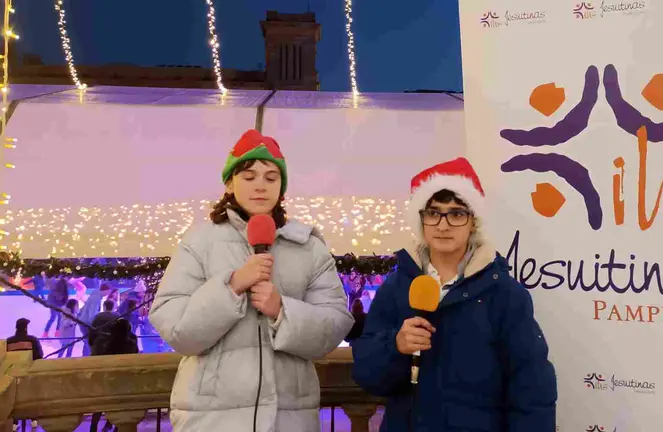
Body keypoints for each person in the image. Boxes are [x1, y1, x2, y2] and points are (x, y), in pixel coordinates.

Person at [149, 129, 353, 432]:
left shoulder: (309, 246)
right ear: (230, 183)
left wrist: (282, 310)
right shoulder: (199, 242)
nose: (260, 186)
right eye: (249, 177)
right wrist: (232, 286)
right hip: (211, 418)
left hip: (290, 418)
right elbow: (177, 329)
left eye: (271, 178)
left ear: (282, 187)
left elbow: (334, 323)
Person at [352, 157, 557, 431]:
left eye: (457, 213)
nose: (443, 224)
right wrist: (396, 347)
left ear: (474, 222)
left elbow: (532, 389)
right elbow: (368, 375)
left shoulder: (505, 294)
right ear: (421, 220)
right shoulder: (396, 288)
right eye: (433, 213)